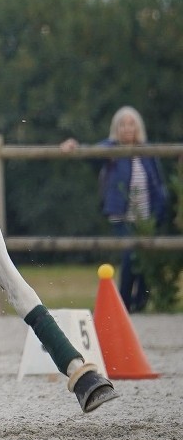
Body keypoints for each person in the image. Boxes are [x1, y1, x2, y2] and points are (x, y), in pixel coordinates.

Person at [61, 106, 168, 312]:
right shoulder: (111, 149)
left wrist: (161, 209)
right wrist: (75, 146)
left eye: (131, 124)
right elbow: (91, 154)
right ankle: (124, 305)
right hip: (122, 216)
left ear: (138, 127)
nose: (127, 129)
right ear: (116, 128)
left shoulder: (148, 151)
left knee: (146, 259)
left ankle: (140, 305)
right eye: (123, 124)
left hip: (147, 217)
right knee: (130, 255)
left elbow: (158, 183)